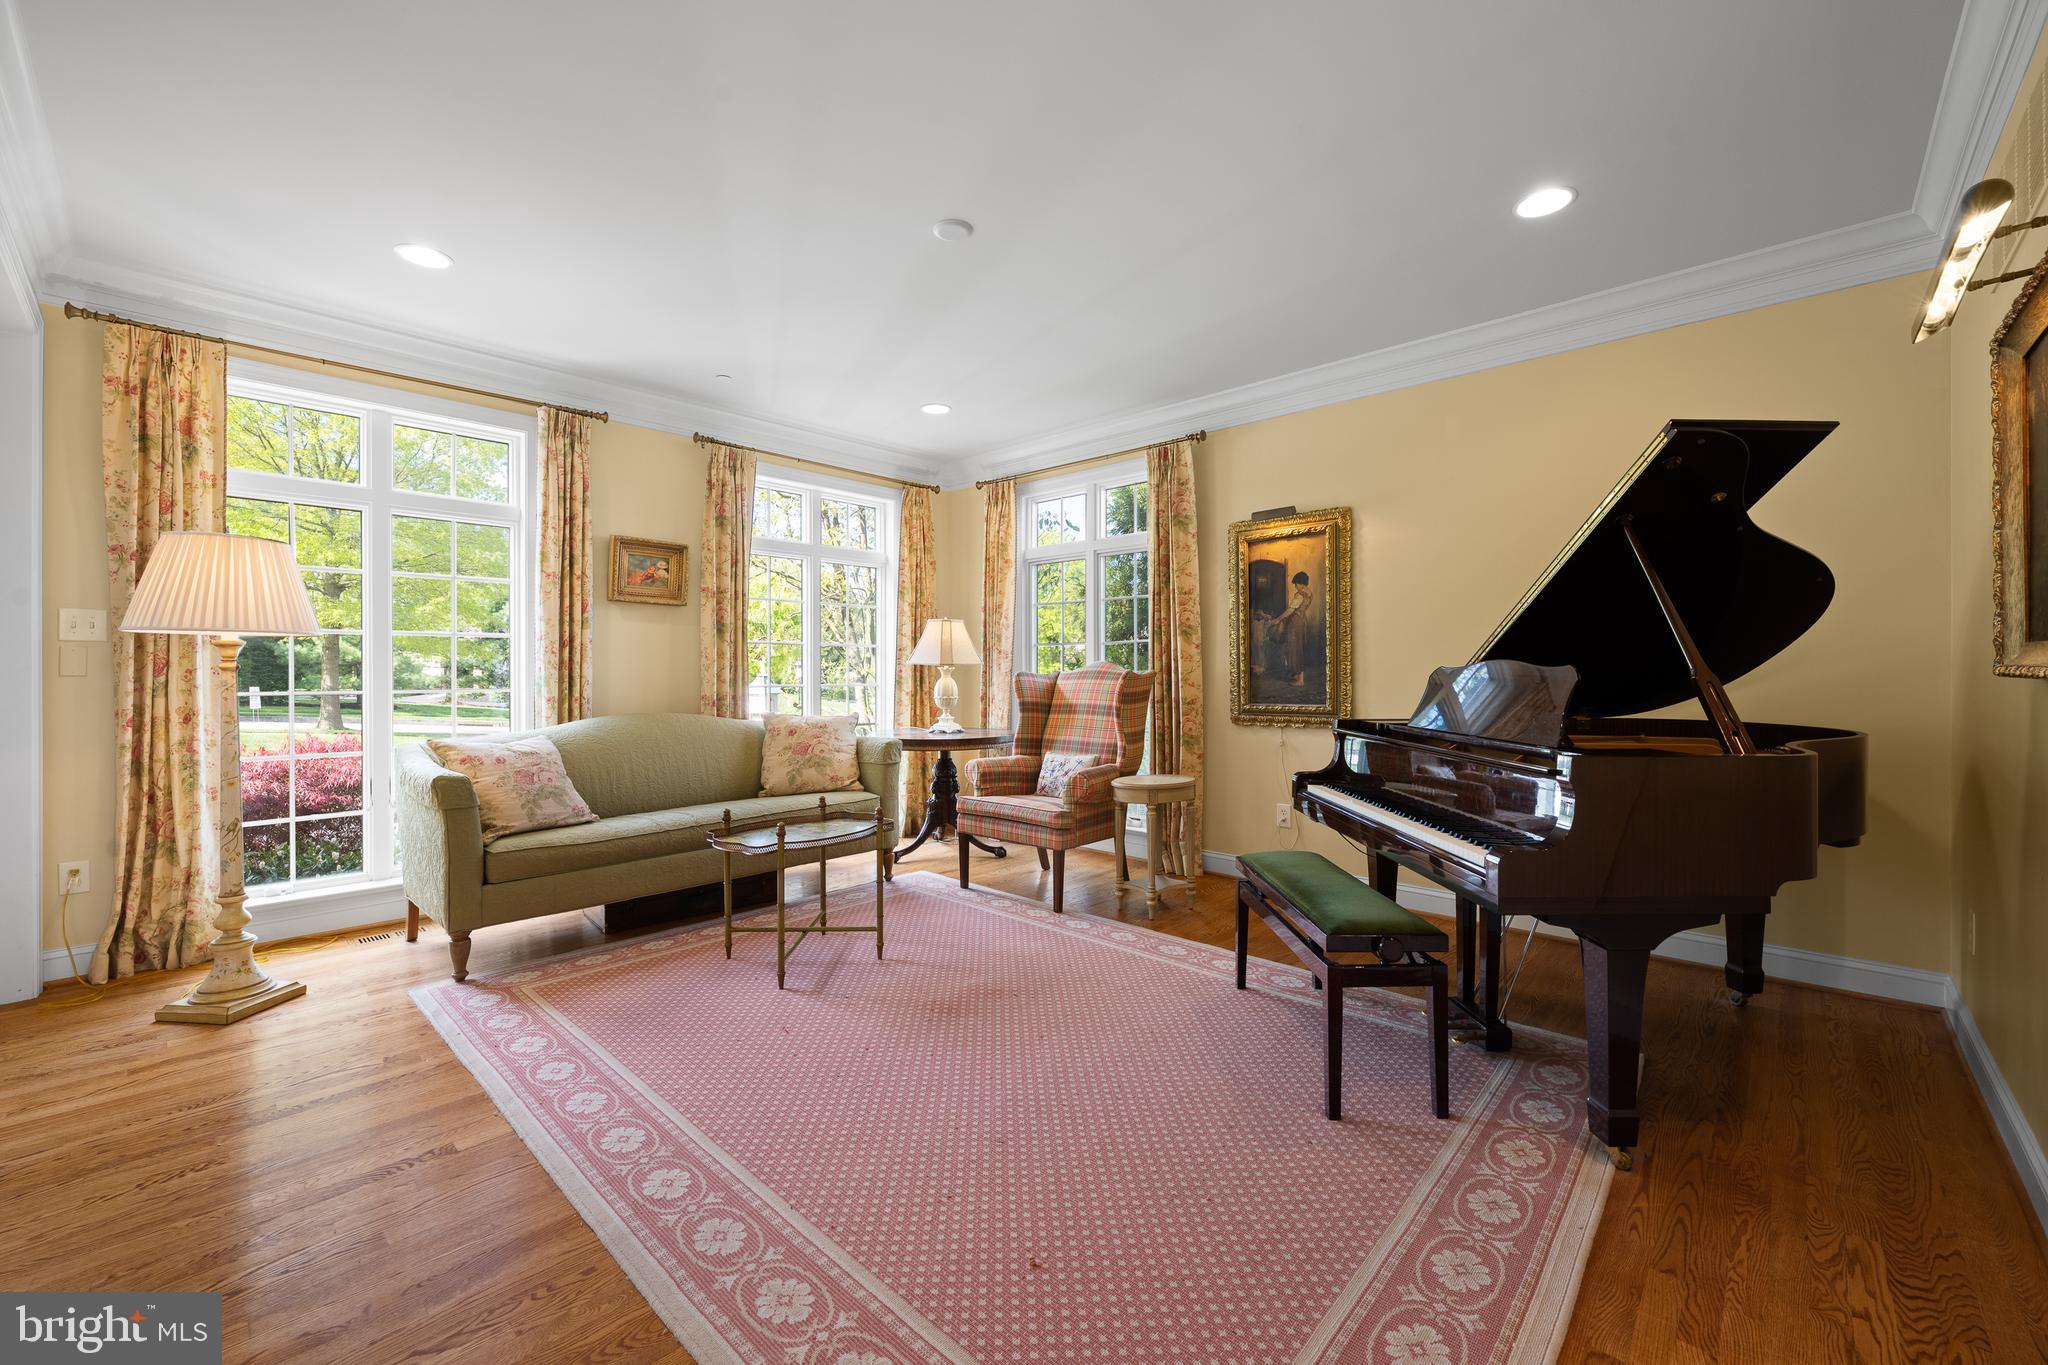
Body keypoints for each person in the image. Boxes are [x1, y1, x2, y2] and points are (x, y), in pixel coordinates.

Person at [1271, 570, 1313, 686]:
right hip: (1302, 622)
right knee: (1298, 648)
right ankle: (1297, 675)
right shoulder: (1309, 593)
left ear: (1301, 583)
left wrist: (1278, 619)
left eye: (1296, 584)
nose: (1295, 586)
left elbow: (1291, 610)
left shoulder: (1299, 595)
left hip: (1295, 623)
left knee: (1295, 649)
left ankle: (1300, 680)